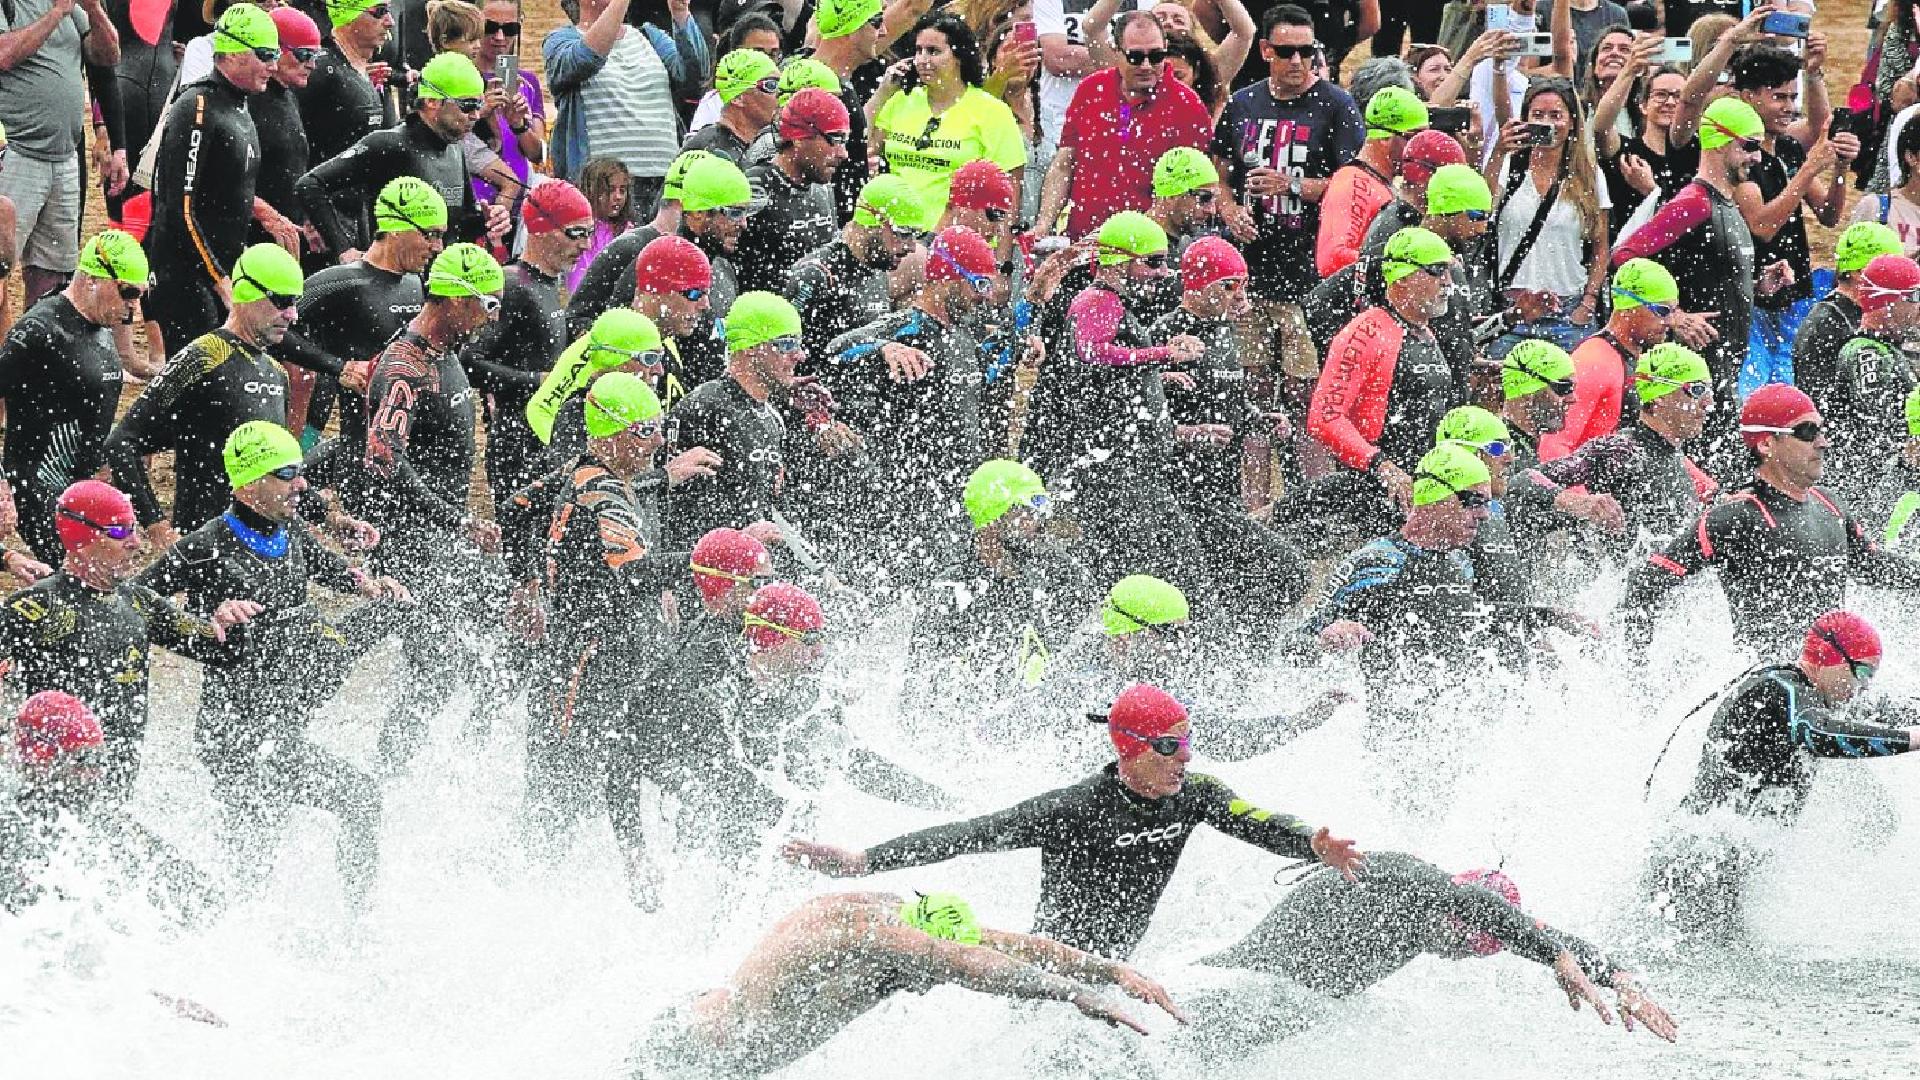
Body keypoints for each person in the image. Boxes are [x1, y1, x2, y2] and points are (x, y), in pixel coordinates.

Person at [785, 682, 1365, 959]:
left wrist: (1311, 845)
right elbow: (968, 835)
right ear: (1128, 749)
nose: (1185, 755)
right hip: (1049, 967)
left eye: (1187, 741)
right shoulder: (1075, 809)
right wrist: (863, 860)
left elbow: (1257, 821)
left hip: (1114, 966)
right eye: (1169, 745)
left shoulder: (1194, 795)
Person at [134, 421, 410, 909]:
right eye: (286, 474)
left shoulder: (289, 530)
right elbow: (134, 605)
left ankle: (355, 920)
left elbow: (331, 571)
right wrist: (205, 617)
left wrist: (368, 583)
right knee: (258, 857)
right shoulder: (204, 546)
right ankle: (228, 941)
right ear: (246, 484)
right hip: (235, 735)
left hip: (281, 721)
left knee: (357, 802)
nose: (301, 483)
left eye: (300, 472)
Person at [629, 891, 1187, 1078]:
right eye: (930, 975)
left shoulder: (908, 914)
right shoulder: (870, 936)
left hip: (728, 1039)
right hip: (704, 1050)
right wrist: (1080, 996)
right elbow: (969, 963)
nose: (925, 987)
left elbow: (995, 944)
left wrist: (1109, 971)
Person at [1199, 852, 1677, 1043]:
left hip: (1293, 1004)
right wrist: (1554, 958)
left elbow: (1552, 936)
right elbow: (1475, 905)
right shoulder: (1404, 880)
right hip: (1237, 988)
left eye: (1472, 953)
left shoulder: (1452, 908)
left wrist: (1620, 979)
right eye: (1462, 942)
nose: (1456, 954)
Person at [1646, 611, 1920, 938]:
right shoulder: (1783, 690)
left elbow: (1887, 711)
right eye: (1861, 671)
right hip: (1695, 864)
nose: (1862, 686)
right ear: (1829, 657)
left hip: (1717, 864)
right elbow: (1818, 734)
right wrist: (1914, 740)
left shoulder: (1816, 695)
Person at [1617, 383, 1920, 659]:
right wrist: (1638, 671)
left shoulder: (1829, 504)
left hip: (1831, 680)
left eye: (1821, 430)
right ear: (1766, 444)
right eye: (1806, 432)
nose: (1823, 442)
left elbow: (1874, 566)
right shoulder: (1736, 518)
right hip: (1771, 690)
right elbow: (1646, 582)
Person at [0, 481, 256, 803]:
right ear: (82, 538)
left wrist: (227, 625)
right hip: (47, 799)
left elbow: (221, 653)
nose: (136, 543)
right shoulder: (36, 606)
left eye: (134, 529)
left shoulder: (137, 602)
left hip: (113, 802)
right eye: (120, 532)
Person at [358, 242, 506, 769]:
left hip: (443, 537)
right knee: (438, 664)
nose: (493, 317)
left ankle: (449, 764)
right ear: (453, 301)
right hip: (408, 543)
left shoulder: (446, 355)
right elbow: (383, 459)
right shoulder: (405, 367)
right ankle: (388, 770)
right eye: (487, 305)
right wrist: (456, 520)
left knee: (490, 647)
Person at [525, 371, 686, 854]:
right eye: (645, 431)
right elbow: (634, 574)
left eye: (660, 425)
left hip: (589, 648)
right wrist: (705, 561)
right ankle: (536, 882)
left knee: (596, 762)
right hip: (585, 658)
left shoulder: (583, 472)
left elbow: (517, 506)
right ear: (612, 436)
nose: (658, 441)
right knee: (569, 771)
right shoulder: (607, 494)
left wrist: (529, 579)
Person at [1211, 4, 1363, 467]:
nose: (1297, 61)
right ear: (1266, 51)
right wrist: (1231, 209)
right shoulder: (1243, 103)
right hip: (1249, 273)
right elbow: (1217, 172)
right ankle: (1257, 508)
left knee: (1307, 396)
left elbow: (1353, 184)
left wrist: (1292, 185)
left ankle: (1310, 506)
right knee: (1253, 396)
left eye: (1306, 51)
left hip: (1307, 278)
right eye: (1286, 51)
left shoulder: (1335, 105)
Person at [1023, 211, 1208, 590]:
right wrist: (1162, 355)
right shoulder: (1099, 300)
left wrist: (1156, 376)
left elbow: (1100, 367)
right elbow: (1092, 351)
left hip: (1124, 467)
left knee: (1162, 561)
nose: (1162, 273)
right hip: (1114, 471)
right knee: (1154, 566)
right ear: (1121, 260)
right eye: (1153, 262)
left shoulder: (1105, 302)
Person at [1610, 95, 1779, 480]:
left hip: (1720, 369)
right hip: (1688, 377)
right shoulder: (1694, 202)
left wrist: (1757, 286)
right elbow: (1624, 257)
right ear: (1719, 140)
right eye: (1749, 146)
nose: (1756, 157)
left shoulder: (1729, 204)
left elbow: (1706, 276)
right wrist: (1675, 316)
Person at [820, 225, 999, 579]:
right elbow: (829, 355)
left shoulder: (968, 339)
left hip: (960, 500)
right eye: (979, 285)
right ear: (948, 277)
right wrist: (880, 348)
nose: (987, 297)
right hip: (906, 503)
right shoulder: (903, 329)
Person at [1150, 235, 1308, 625]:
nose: (1241, 297)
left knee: (1244, 587)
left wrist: (1260, 417)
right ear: (1199, 287)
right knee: (1289, 572)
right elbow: (1137, 418)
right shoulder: (1165, 335)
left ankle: (1240, 661)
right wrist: (1189, 432)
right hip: (1182, 498)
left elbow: (1231, 402)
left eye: (1244, 285)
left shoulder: (1224, 332)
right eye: (1229, 286)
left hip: (1222, 493)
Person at [105, 243, 307, 543]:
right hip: (205, 547)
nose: (292, 315)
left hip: (264, 546)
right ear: (246, 293)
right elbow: (121, 444)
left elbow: (281, 472)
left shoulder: (277, 374)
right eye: (282, 301)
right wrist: (156, 526)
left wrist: (330, 517)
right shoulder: (204, 356)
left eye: (295, 302)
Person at [1297, 442, 1490, 740]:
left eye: (1486, 504)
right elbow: (1294, 648)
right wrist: (1328, 635)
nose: (1483, 514)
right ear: (1435, 498)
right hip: (1392, 737)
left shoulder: (1461, 563)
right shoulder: (1373, 562)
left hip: (1456, 729)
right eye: (1473, 501)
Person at [1, 690, 220, 923]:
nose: (94, 770)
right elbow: (211, 904)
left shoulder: (16, 824)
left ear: (35, 754)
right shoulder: (126, 835)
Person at [0, 229, 148, 563]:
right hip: (41, 489)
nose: (132, 308)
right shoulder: (38, 331)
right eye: (127, 293)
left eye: (140, 297)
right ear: (93, 279)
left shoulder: (101, 325)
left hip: (86, 489)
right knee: (86, 583)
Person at [1305, 227, 1463, 519]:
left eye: (1449, 272)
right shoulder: (1367, 332)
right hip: (1374, 488)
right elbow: (1324, 418)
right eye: (1437, 271)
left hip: (1422, 484)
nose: (1448, 283)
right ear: (1402, 280)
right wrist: (1382, 467)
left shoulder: (1425, 332)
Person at [144, 3, 275, 351]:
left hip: (218, 271)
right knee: (195, 388)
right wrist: (219, 280)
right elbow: (178, 207)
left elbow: (231, 197)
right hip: (186, 276)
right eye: (264, 55)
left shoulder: (239, 105)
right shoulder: (197, 107)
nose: (273, 66)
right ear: (232, 52)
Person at [280, 175, 444, 453]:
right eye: (431, 234)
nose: (438, 247)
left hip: (410, 449)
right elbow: (269, 329)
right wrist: (338, 367)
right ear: (397, 229)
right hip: (361, 452)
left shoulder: (416, 283)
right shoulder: (342, 282)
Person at [295, 50, 504, 262]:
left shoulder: (454, 149)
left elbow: (460, 224)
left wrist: (486, 221)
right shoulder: (389, 145)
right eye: (467, 106)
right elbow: (310, 185)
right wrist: (344, 249)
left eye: (478, 105)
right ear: (432, 101)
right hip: (389, 284)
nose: (476, 115)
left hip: (436, 286)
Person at [463, 180, 595, 511]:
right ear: (541, 229)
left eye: (589, 233)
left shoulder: (550, 284)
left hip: (546, 437)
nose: (586, 244)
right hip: (516, 442)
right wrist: (540, 382)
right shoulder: (513, 285)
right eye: (576, 233)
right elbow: (468, 363)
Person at [907, 458, 1094, 688]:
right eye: (1027, 513)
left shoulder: (1058, 581)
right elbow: (920, 695)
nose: (1038, 524)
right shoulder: (949, 594)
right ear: (992, 519)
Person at [1035, 11, 1210, 241]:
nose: (1147, 65)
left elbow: (1187, 194)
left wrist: (1125, 238)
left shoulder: (1187, 104)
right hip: (1084, 243)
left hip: (1152, 249)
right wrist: (1043, 225)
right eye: (1136, 57)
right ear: (1116, 52)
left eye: (1157, 56)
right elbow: (1064, 164)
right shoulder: (1091, 90)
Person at [1532, 342, 1712, 555]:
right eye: (1697, 390)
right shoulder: (1620, 451)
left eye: (1709, 391)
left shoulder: (1672, 455)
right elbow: (1526, 482)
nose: (1708, 403)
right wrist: (1579, 503)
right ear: (1659, 397)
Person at [563, 151, 756, 341]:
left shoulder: (723, 269)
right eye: (734, 212)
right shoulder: (643, 254)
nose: (744, 224)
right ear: (695, 211)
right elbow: (578, 320)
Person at [0, 0, 120, 305]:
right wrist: (55, 13)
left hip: (64, 157)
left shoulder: (74, 7)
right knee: (0, 269)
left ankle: (33, 350)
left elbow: (107, 57)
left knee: (53, 276)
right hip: (15, 152)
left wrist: (93, 10)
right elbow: (4, 54)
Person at [661, 291, 801, 551]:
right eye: (786, 344)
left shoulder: (772, 418)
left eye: (798, 343)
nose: (799, 355)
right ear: (750, 348)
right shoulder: (703, 408)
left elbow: (772, 512)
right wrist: (736, 543)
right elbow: (669, 511)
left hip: (751, 573)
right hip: (705, 575)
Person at [1485, 76, 1610, 360]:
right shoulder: (1509, 168)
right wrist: (1498, 153)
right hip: (1512, 312)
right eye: (1537, 115)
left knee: (1567, 399)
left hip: (1568, 313)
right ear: (1525, 120)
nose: (1547, 123)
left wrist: (1588, 303)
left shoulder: (1589, 175)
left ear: (1572, 122)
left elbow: (1601, 247)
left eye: (1556, 115)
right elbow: (1479, 212)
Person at [868, 10, 1026, 215]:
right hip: (897, 233)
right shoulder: (901, 99)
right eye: (918, 51)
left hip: (955, 236)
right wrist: (882, 93)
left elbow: (1009, 194)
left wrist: (1000, 246)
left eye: (933, 51)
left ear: (959, 57)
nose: (922, 60)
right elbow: (864, 147)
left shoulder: (992, 111)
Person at [542, 0, 708, 191]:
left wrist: (680, 12)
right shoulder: (560, 41)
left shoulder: (649, 36)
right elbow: (586, 60)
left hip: (664, 181)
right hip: (602, 186)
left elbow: (695, 79)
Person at [1540, 257, 1678, 460]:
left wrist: (1712, 491)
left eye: (1674, 311)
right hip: (1596, 487)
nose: (1671, 321)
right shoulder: (1594, 361)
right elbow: (1553, 446)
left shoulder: (1643, 360)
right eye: (1662, 311)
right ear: (1630, 305)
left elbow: (1659, 448)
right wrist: (1580, 493)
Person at [785, 172, 925, 361]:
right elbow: (787, 355)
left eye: (915, 235)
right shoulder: (815, 275)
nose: (911, 246)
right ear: (871, 220)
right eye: (904, 233)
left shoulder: (877, 268)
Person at [294, 0, 398, 249]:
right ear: (349, 16)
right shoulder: (322, 68)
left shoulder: (362, 71)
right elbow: (291, 144)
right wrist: (306, 217)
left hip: (356, 213)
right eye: (380, 12)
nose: (390, 22)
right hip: (322, 216)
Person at [1823, 255, 1920, 509]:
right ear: (1887, 301)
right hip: (1868, 498)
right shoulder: (1867, 354)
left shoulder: (1884, 351)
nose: (1919, 307)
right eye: (1914, 297)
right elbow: (1874, 433)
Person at [735, 89, 849, 294]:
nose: (843, 154)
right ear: (798, 137)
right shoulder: (754, 186)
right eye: (835, 139)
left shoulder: (822, 188)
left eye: (845, 141)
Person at [1315, 85, 1427, 277]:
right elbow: (1331, 259)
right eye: (1414, 138)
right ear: (1385, 138)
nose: (1420, 149)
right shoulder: (1354, 182)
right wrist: (1406, 264)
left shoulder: (1380, 182)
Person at [1795, 222, 1906, 414]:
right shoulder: (1826, 323)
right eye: (1889, 271)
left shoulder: (1861, 315)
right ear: (1859, 273)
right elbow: (1821, 407)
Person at [249, 7, 321, 261]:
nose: (311, 64)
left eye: (315, 55)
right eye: (303, 55)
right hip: (250, 242)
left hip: (285, 238)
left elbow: (292, 167)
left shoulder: (290, 95)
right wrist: (267, 215)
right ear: (276, 50)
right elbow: (218, 181)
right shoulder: (248, 100)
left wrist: (308, 215)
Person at [470, 0, 547, 205]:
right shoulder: (459, 75)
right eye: (490, 27)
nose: (500, 37)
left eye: (510, 29)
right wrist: (480, 111)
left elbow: (537, 154)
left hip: (519, 202)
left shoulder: (528, 82)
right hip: (470, 198)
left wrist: (519, 125)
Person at [683, 48, 779, 165]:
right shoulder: (713, 153)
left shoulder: (755, 146)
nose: (781, 94)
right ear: (737, 98)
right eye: (771, 85)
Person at [1144, 146, 1224, 254]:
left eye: (1214, 199)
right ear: (1170, 197)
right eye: (1204, 198)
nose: (1212, 210)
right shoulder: (1138, 248)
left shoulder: (1200, 247)